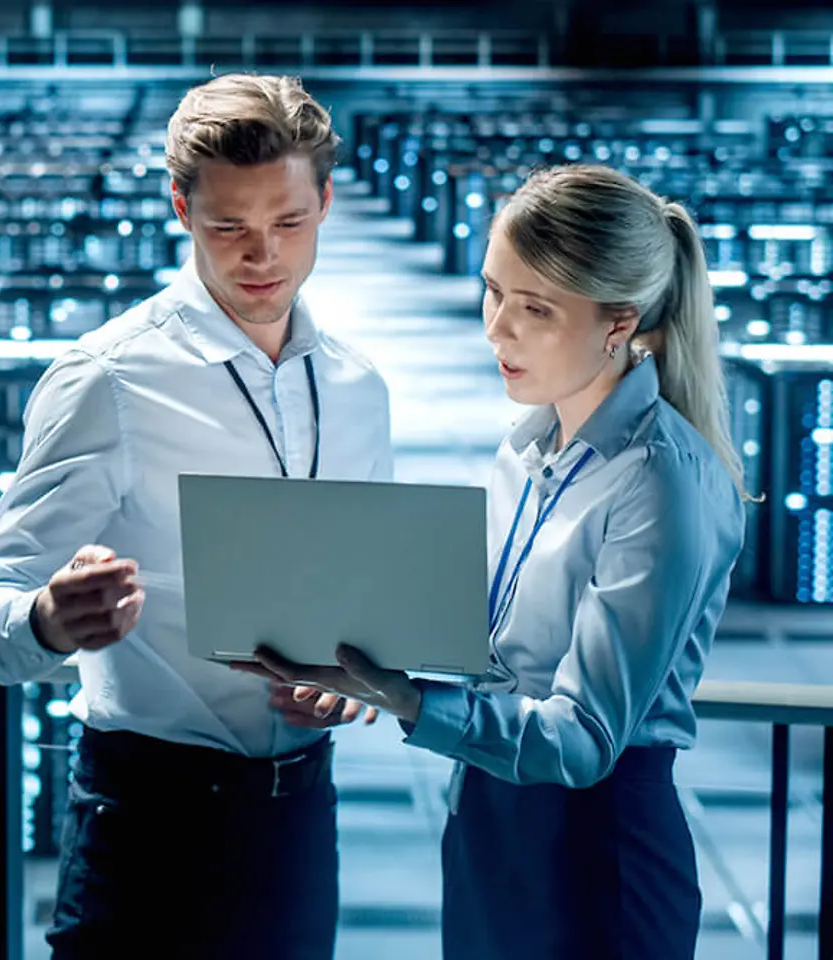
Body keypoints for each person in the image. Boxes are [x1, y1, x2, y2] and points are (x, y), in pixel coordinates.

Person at [241, 163, 748, 960]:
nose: (497, 328)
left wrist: (411, 701)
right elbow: (500, 661)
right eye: (493, 290)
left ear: (620, 323)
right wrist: (358, 660)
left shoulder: (661, 481)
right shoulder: (527, 452)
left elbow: (580, 740)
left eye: (535, 308)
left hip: (593, 860)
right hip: (486, 825)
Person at [0, 73, 394, 959]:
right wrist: (47, 618)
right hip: (147, 825)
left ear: (327, 202)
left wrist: (353, 688)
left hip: (302, 820)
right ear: (180, 208)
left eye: (289, 224)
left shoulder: (357, 390)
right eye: (228, 226)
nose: (261, 256)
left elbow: (366, 612)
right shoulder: (109, 379)